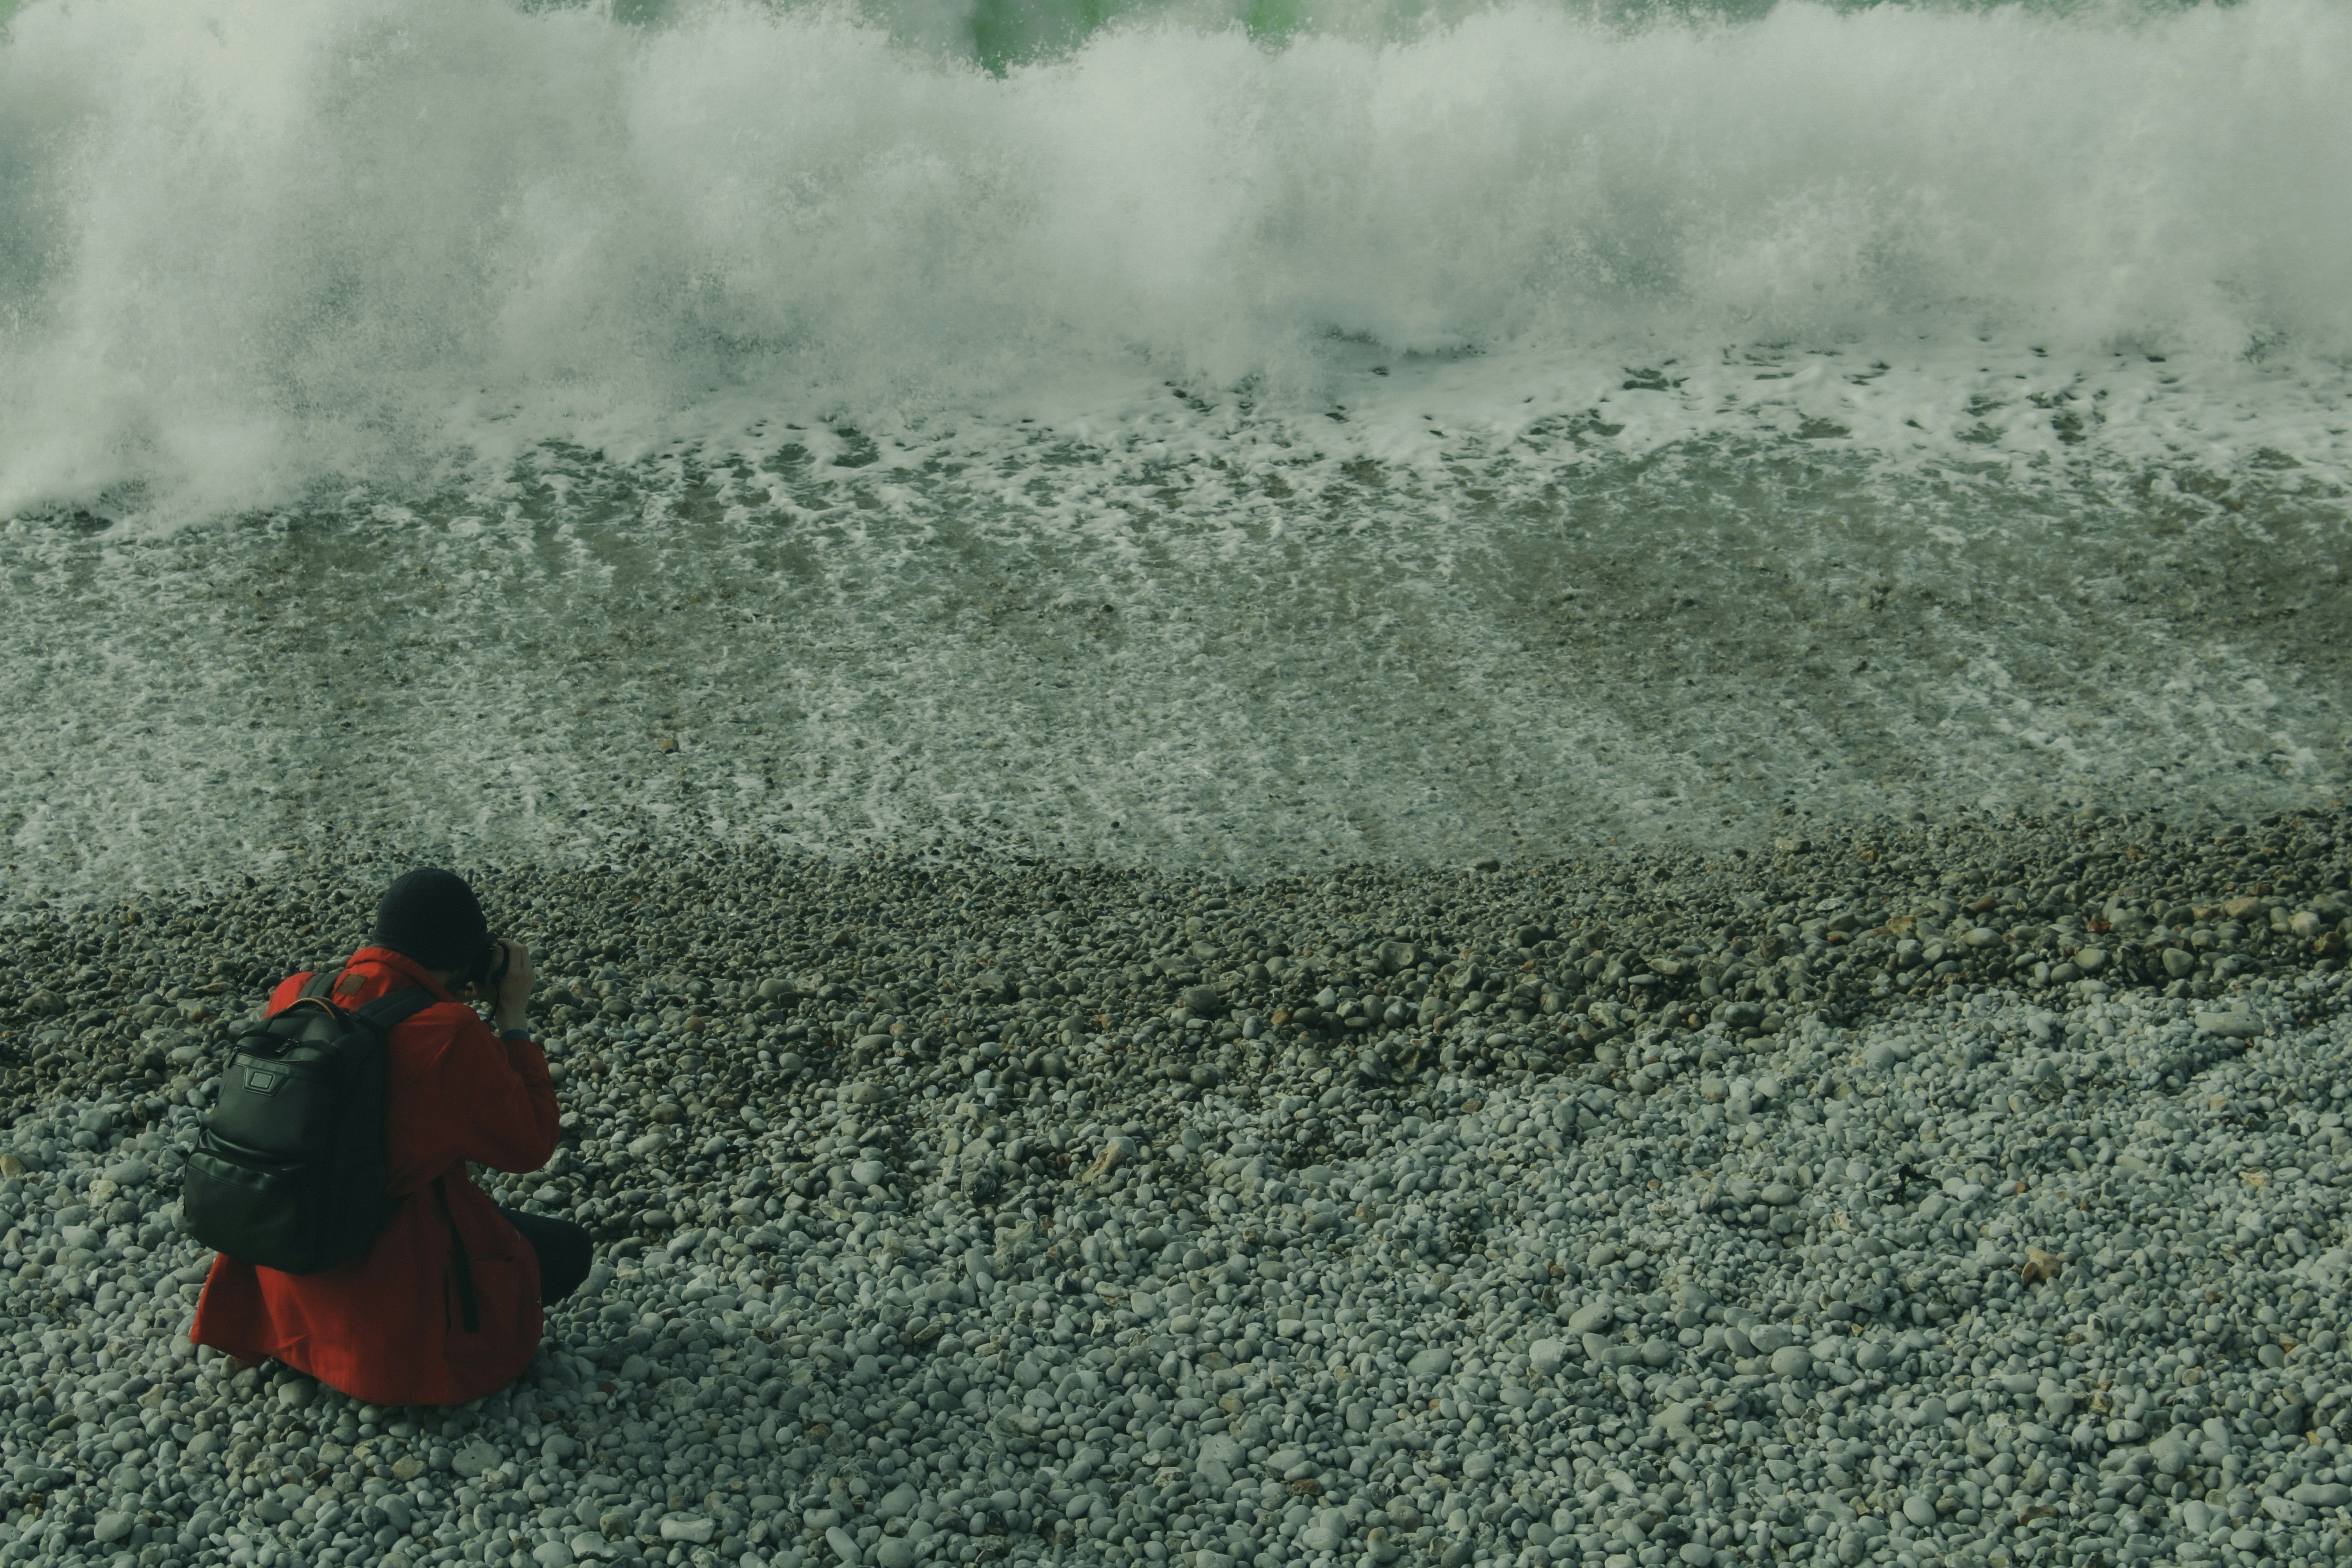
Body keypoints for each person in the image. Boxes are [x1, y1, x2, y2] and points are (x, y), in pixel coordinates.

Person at [189, 867, 591, 1405]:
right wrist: (512, 1020)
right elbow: (531, 1145)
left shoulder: (297, 993)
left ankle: (292, 1339)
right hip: (385, 1320)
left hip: (281, 1249)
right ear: (470, 960)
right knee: (568, 1250)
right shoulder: (449, 1033)